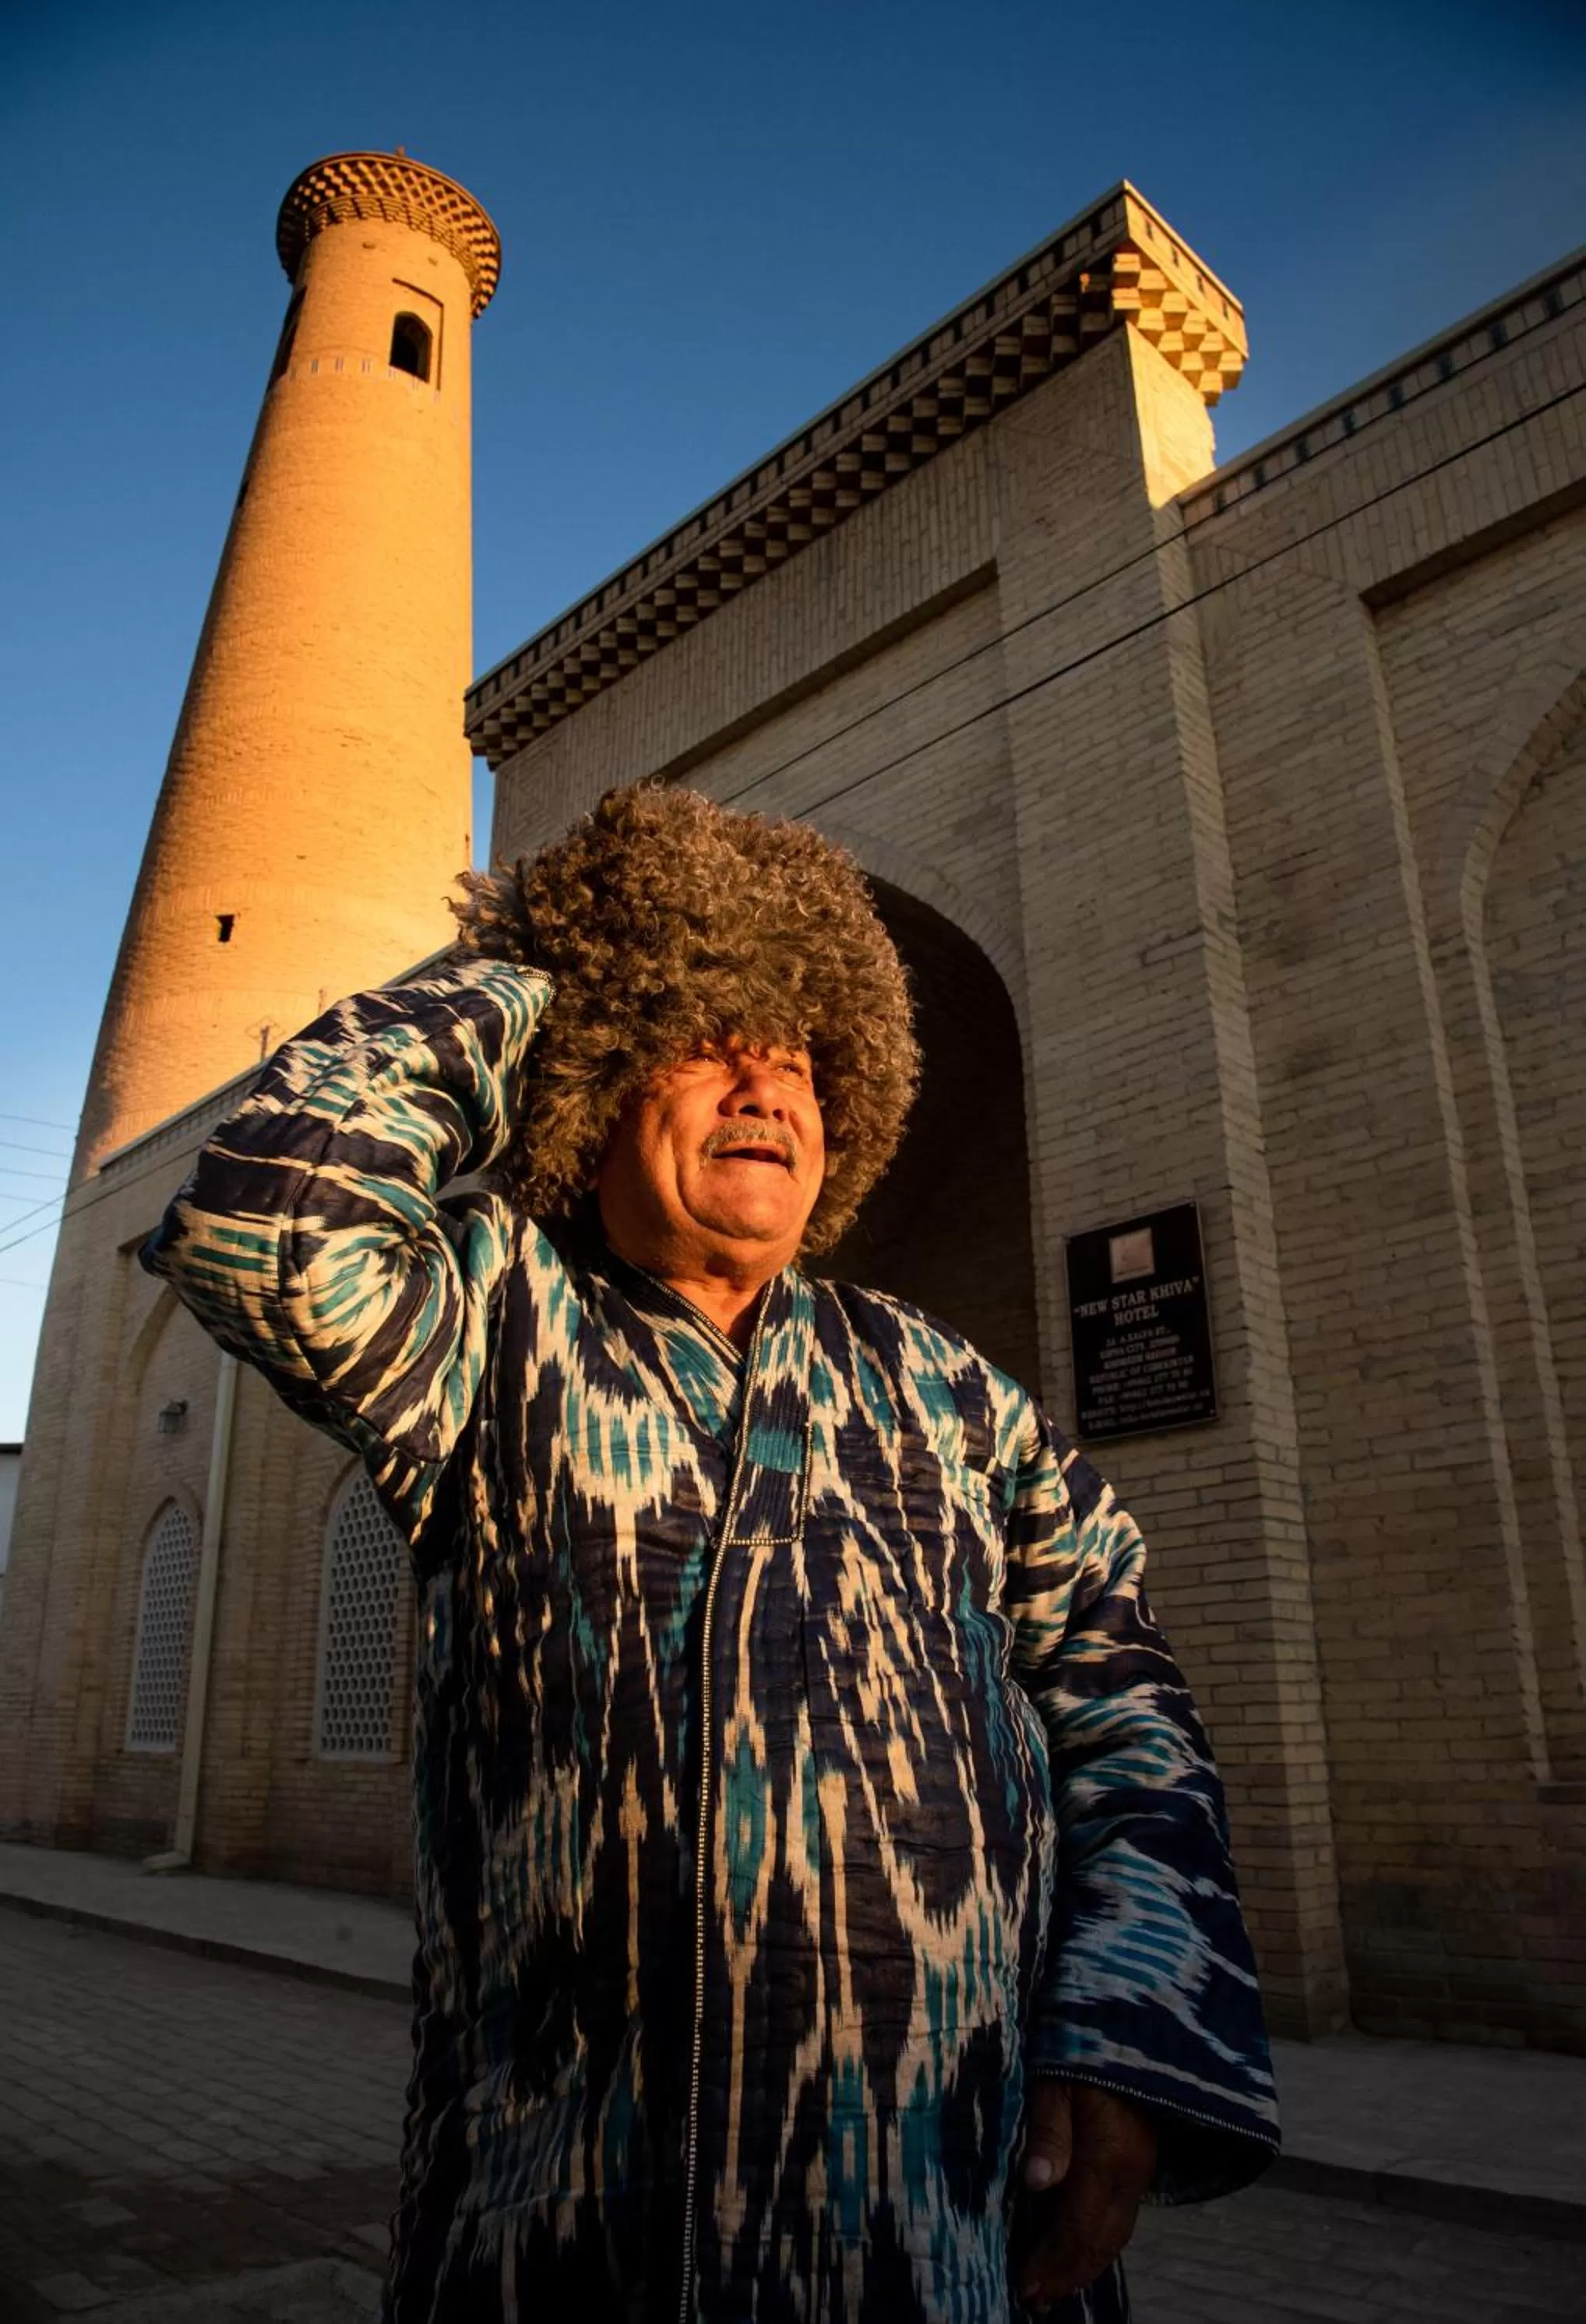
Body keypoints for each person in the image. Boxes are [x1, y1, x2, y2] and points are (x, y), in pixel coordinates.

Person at [143, 783, 1278, 2323]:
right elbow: (262, 1222)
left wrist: (1131, 2025)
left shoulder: (946, 1396)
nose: (765, 1086)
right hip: (581, 2245)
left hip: (953, 2235)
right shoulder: (492, 1330)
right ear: (594, 1084)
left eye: (801, 1057)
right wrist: (579, 967)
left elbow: (1125, 1709)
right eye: (704, 1043)